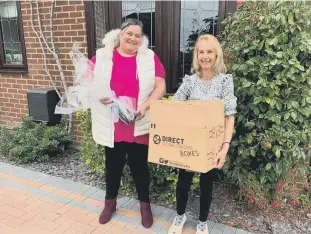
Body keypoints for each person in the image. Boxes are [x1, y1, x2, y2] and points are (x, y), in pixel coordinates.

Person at [90, 18, 166, 228]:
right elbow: (86, 81)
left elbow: (160, 85)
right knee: (112, 166)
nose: (133, 38)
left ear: (142, 39)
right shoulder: (104, 56)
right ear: (119, 34)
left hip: (138, 122)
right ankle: (109, 203)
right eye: (129, 33)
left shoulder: (149, 58)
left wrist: (147, 106)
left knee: (140, 167)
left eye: (137, 35)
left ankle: (145, 206)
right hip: (113, 123)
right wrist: (98, 94)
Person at [168, 34, 237, 234]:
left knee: (207, 186)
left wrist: (225, 147)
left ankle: (202, 223)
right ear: (196, 55)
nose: (205, 56)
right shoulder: (190, 81)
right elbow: (174, 106)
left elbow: (229, 116)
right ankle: (180, 216)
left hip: (212, 146)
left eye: (209, 52)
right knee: (183, 184)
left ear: (216, 55)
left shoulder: (225, 81)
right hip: (189, 144)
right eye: (201, 52)